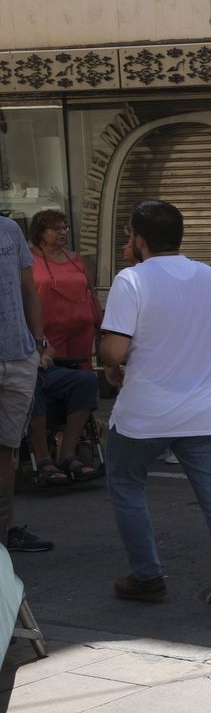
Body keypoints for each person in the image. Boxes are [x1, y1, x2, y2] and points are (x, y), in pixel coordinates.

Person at [99, 200, 211, 609]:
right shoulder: (209, 276)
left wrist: (116, 361)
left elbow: (113, 351)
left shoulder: (130, 280)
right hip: (202, 410)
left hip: (143, 413)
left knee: (127, 486)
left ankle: (147, 576)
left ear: (139, 239)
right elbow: (204, 334)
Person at [25, 210, 102, 484]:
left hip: (81, 328)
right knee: (42, 380)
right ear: (40, 233)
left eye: (64, 228)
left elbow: (89, 291)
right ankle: (46, 452)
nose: (62, 233)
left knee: (82, 379)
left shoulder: (76, 258)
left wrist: (101, 320)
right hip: (47, 334)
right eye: (55, 229)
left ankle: (73, 448)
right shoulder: (30, 260)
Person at [0, 214, 50, 553]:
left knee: (7, 450)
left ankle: (7, 529)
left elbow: (28, 288)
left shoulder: (9, 228)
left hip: (18, 355)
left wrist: (38, 343)